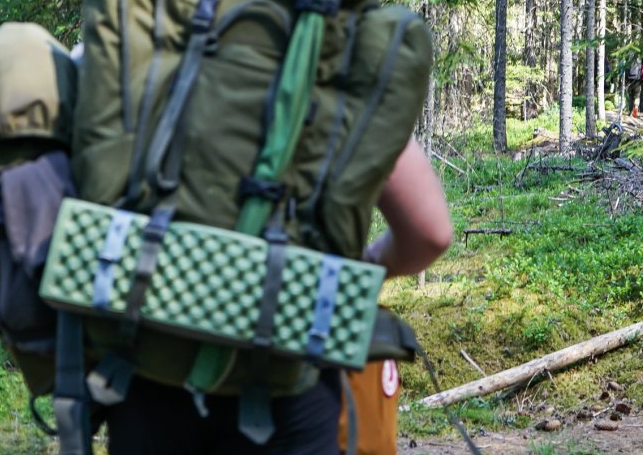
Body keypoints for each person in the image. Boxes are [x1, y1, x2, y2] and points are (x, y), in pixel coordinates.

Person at [103, 137, 452, 455]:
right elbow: (429, 233)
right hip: (294, 369)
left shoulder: (156, 82)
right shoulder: (344, 87)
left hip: (149, 365)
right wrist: (365, 264)